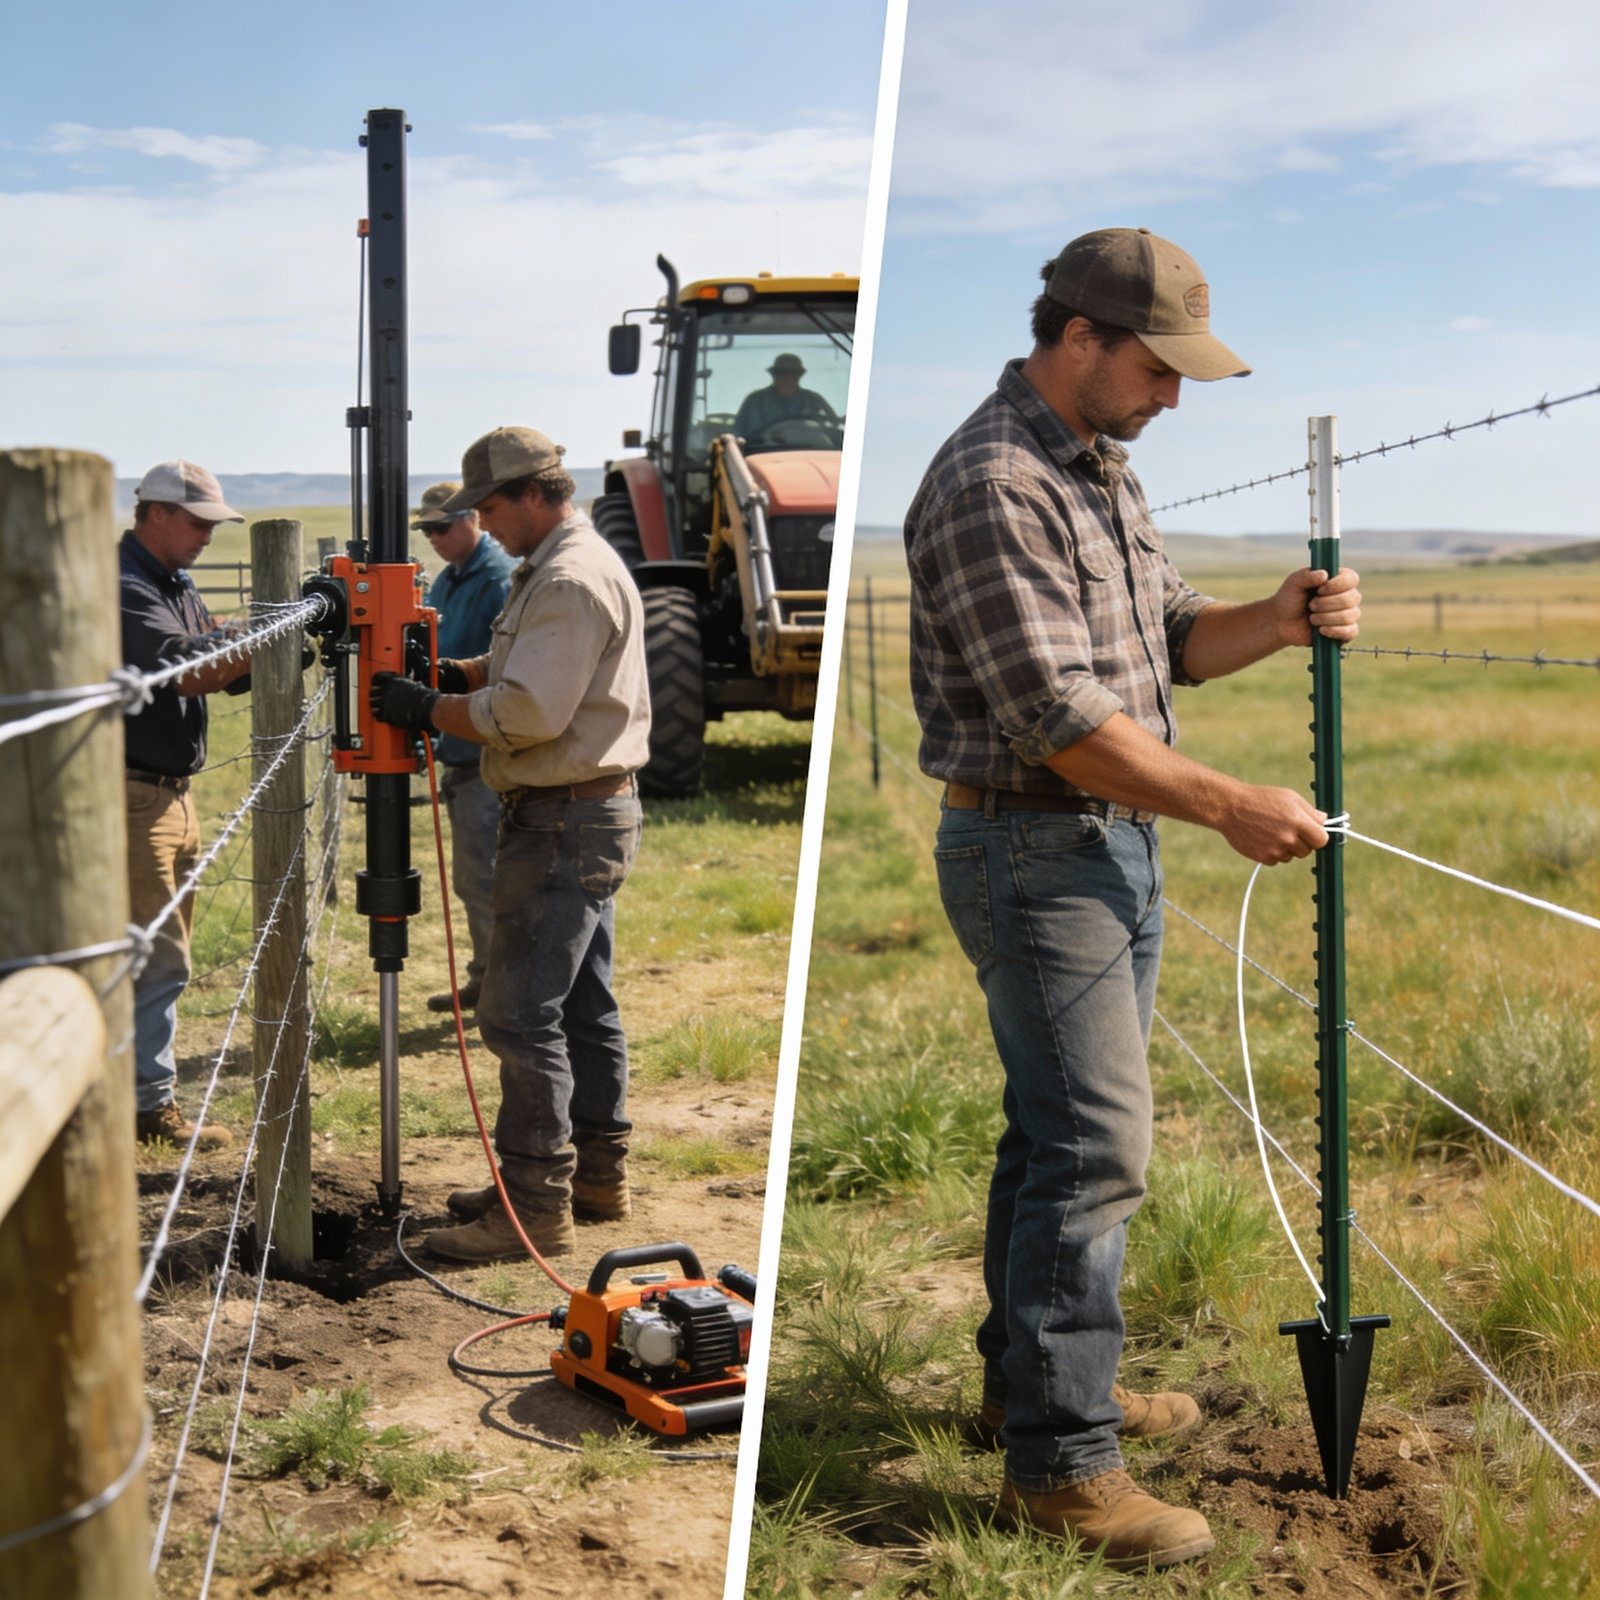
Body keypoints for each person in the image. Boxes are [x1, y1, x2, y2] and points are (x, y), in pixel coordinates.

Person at [904, 227, 1362, 1568]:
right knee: (1096, 1151)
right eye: (1158, 372)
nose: (1173, 400)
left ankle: (1032, 1390)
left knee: (1049, 1135)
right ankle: (1062, 1470)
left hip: (1105, 847)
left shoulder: (1097, 471)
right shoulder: (996, 482)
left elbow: (1169, 644)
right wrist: (1229, 804)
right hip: (1038, 848)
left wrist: (1274, 620)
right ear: (1079, 339)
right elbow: (1056, 720)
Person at [370, 428, 650, 1261]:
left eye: (490, 506)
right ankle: (593, 1177)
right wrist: (452, 674)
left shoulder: (565, 578)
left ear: (535, 493)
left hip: (560, 817)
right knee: (581, 1004)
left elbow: (529, 712)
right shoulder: (568, 565)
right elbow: (516, 666)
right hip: (586, 811)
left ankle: (532, 1206)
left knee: (519, 1014)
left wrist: (427, 710)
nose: (483, 524)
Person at [121, 460, 253, 1148]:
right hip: (133, 794)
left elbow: (217, 663)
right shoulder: (124, 588)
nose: (208, 535)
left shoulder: (169, 581)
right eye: (199, 522)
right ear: (157, 513)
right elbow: (190, 667)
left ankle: (138, 1092)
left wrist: (249, 640)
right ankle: (146, 1104)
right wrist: (257, 638)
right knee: (156, 957)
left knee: (161, 952)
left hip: (168, 792)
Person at [413, 482, 517, 1014]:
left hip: (482, 750)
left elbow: (503, 668)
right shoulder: (450, 580)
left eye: (442, 526)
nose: (434, 537)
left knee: (485, 876)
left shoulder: (498, 580)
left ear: (473, 519)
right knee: (474, 876)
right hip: (458, 745)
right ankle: (487, 978)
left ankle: (500, 988)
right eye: (427, 529)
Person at [733, 352, 841, 446]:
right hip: (763, 454)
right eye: (783, 374)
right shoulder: (754, 401)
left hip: (811, 453)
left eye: (794, 374)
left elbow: (833, 428)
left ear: (799, 376)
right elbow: (738, 434)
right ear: (774, 375)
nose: (789, 378)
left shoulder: (814, 400)